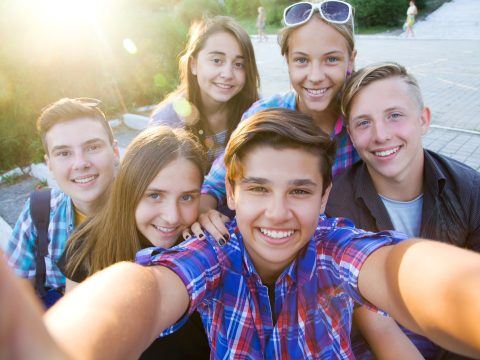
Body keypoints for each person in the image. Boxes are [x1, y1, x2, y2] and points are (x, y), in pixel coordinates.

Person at [44, 109, 480, 359]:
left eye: (299, 191)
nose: (277, 214)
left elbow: (394, 270)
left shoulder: (333, 246)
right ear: (230, 192)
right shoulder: (211, 254)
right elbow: (152, 289)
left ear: (325, 197)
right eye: (258, 188)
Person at [326, 62, 480, 359]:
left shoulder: (470, 190)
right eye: (363, 123)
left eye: (394, 116)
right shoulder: (336, 205)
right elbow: (372, 323)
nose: (381, 135)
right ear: (351, 135)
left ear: (423, 120)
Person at [196, 0, 360, 241]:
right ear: (287, 61)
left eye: (331, 59)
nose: (315, 76)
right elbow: (214, 184)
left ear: (351, 59)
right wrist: (203, 211)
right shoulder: (263, 114)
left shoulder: (363, 120)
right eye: (302, 60)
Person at [59, 126, 210, 359]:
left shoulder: (203, 242)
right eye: (154, 195)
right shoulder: (87, 245)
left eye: (187, 197)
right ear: (129, 189)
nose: (172, 216)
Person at [4, 98, 119, 306]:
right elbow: (14, 302)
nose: (81, 163)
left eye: (92, 147)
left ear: (115, 151)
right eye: (64, 153)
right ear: (49, 164)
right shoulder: (39, 213)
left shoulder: (151, 213)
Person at [150, 15, 260, 169]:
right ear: (193, 65)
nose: (228, 74)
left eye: (239, 64)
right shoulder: (167, 121)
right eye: (216, 61)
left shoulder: (256, 112)